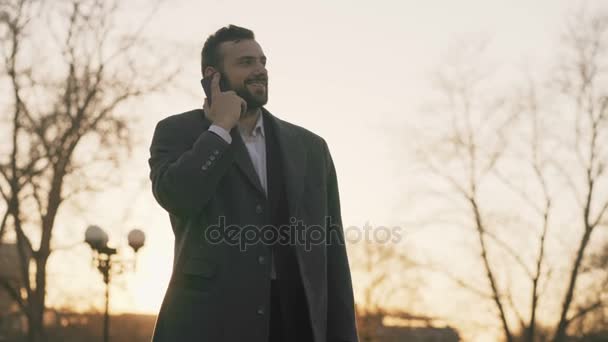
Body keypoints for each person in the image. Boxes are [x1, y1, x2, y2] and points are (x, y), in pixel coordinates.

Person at [148, 24, 359, 342]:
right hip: (209, 322)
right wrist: (220, 129)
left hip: (295, 320)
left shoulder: (311, 148)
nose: (260, 70)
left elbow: (333, 254)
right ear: (213, 76)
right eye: (246, 62)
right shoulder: (178, 132)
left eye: (262, 61)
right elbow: (177, 196)